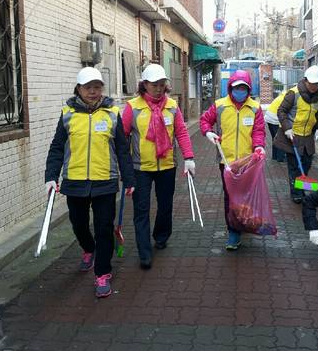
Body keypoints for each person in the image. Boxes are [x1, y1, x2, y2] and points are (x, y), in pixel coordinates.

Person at [45, 67, 135, 298]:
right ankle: (88, 248)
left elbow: (122, 149)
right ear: (79, 89)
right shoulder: (67, 114)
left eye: (97, 87)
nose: (93, 91)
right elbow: (57, 147)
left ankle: (102, 273)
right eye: (88, 87)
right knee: (79, 224)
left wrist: (129, 178)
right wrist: (51, 176)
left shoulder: (112, 113)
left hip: (105, 180)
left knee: (104, 228)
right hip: (75, 181)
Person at [122, 63, 195, 270]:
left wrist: (189, 157)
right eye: (154, 84)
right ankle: (144, 252)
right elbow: (123, 137)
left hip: (167, 166)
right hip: (140, 168)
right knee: (141, 209)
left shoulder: (172, 106)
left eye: (162, 84)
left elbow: (181, 132)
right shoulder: (133, 107)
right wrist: (124, 167)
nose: (158, 88)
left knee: (165, 206)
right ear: (144, 84)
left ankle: (161, 236)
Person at [200, 70, 266, 250]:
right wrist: (208, 132)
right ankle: (233, 232)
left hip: (247, 162)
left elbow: (258, 131)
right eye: (237, 88)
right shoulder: (220, 106)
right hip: (226, 161)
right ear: (230, 88)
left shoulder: (255, 108)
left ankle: (243, 221)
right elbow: (205, 121)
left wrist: (259, 146)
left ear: (248, 89)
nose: (240, 91)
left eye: (243, 88)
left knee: (245, 195)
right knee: (230, 196)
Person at [274, 66, 318, 204]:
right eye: (312, 83)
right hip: (292, 136)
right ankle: (296, 193)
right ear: (306, 80)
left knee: (306, 165)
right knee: (294, 167)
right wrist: (287, 128)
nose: (314, 86)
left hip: (307, 137)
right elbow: (281, 111)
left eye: (317, 84)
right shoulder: (293, 93)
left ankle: (301, 188)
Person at [264, 89, 288, 162]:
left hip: (269, 118)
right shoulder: (286, 99)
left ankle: (275, 156)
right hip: (274, 119)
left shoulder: (282, 96)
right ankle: (280, 158)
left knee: (274, 138)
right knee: (281, 139)